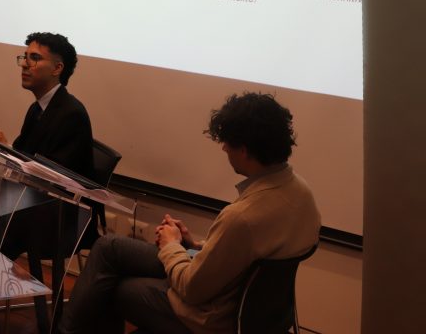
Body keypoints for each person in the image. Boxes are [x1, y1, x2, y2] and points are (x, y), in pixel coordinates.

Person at [58, 92, 321, 334]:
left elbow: (192, 289)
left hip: (212, 317)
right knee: (109, 247)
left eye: (227, 142)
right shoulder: (300, 191)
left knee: (113, 286)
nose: (223, 148)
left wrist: (172, 244)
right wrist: (193, 245)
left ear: (243, 149)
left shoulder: (242, 216)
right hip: (255, 310)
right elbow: (243, 252)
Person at [0, 32, 94, 259]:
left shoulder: (71, 114)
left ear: (57, 68)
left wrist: (7, 149)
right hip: (31, 202)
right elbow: (24, 158)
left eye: (35, 58)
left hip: (59, 216)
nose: (24, 64)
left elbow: (55, 178)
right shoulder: (38, 108)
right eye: (24, 57)